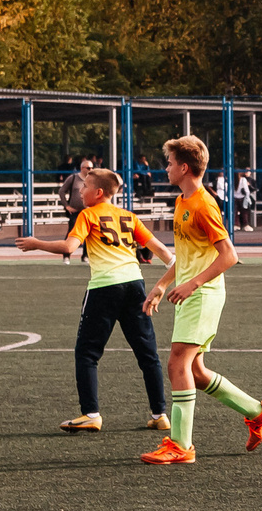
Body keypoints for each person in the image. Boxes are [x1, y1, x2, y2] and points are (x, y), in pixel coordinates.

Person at [140, 136, 262, 465]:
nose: (167, 168)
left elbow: (229, 255)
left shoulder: (203, 204)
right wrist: (161, 284)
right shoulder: (182, 202)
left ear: (184, 167)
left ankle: (181, 446)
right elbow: (187, 258)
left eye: (170, 163)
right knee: (196, 372)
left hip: (203, 294)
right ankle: (257, 412)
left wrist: (193, 284)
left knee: (176, 363)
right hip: (193, 293)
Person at [15, 166, 170, 435]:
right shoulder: (129, 217)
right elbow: (162, 251)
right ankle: (160, 414)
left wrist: (36, 242)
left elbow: (68, 248)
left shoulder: (88, 214)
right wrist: (169, 276)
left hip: (105, 288)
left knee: (87, 353)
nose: (80, 191)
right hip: (135, 285)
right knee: (148, 354)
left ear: (98, 193)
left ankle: (91, 414)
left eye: (84, 187)